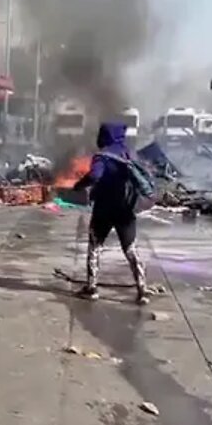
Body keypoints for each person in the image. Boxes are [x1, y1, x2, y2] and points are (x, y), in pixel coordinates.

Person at [72, 122, 150, 304]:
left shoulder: (102, 156)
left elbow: (94, 176)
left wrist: (79, 186)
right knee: (131, 249)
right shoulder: (129, 153)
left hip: (104, 209)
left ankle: (91, 288)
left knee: (95, 247)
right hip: (126, 210)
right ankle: (142, 290)